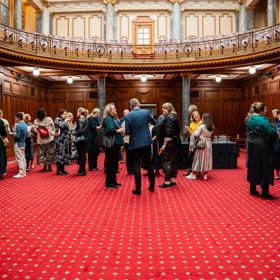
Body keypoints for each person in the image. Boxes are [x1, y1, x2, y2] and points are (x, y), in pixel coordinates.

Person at [125, 98, 156, 195]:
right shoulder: (146, 112)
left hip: (135, 144)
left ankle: (138, 189)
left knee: (136, 165)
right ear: (139, 104)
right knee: (149, 164)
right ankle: (152, 187)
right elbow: (154, 122)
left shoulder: (128, 115)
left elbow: (128, 131)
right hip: (146, 142)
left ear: (131, 106)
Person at [247, 102, 278, 199]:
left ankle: (252, 189)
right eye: (265, 109)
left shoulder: (250, 118)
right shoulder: (263, 120)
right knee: (265, 166)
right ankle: (265, 193)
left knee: (253, 165)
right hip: (262, 145)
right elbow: (271, 133)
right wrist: (276, 135)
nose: (266, 111)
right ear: (260, 111)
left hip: (252, 144)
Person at [158, 103, 180, 188]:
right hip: (175, 143)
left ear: (169, 109)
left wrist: (163, 145)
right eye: (162, 108)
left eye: (165, 108)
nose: (163, 110)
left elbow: (168, 133)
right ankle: (172, 180)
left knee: (166, 162)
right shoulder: (174, 116)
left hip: (169, 143)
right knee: (173, 162)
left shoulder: (169, 118)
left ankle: (167, 182)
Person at [186, 113, 214, 180]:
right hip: (208, 144)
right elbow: (210, 135)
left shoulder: (202, 126)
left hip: (202, 143)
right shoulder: (212, 126)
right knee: (206, 159)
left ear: (204, 119)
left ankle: (194, 174)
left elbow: (196, 134)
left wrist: (191, 131)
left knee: (198, 158)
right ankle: (205, 175)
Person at [103, 103, 124, 188]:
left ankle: (113, 181)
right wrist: (119, 130)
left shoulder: (112, 118)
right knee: (111, 163)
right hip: (112, 144)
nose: (115, 109)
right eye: (114, 108)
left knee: (114, 163)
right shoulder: (108, 119)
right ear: (109, 110)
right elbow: (110, 130)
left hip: (115, 144)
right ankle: (109, 183)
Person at [54, 109, 71, 175]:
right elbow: (61, 126)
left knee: (64, 154)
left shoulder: (64, 120)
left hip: (65, 139)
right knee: (60, 154)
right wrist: (65, 121)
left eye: (66, 114)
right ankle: (59, 170)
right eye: (65, 114)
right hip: (60, 140)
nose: (66, 115)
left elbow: (67, 129)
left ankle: (63, 169)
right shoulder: (57, 119)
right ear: (61, 114)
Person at [12, 112, 28, 178]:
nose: (15, 118)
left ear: (18, 117)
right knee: (23, 158)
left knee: (19, 159)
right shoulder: (25, 124)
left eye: (15, 117)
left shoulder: (18, 125)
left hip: (18, 144)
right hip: (23, 143)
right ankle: (24, 172)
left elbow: (17, 136)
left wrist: (12, 133)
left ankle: (21, 173)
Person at [74, 107, 88, 176]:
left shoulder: (80, 120)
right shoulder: (86, 119)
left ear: (79, 112)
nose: (77, 113)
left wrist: (73, 132)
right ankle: (81, 170)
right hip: (85, 139)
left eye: (77, 112)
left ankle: (82, 171)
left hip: (80, 140)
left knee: (81, 155)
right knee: (83, 154)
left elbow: (80, 131)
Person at [121, 109, 133, 175]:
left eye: (127, 113)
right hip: (126, 139)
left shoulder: (130, 120)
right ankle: (129, 170)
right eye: (125, 113)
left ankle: (131, 169)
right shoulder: (122, 120)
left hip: (130, 139)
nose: (126, 114)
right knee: (129, 155)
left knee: (132, 155)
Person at [272, 109, 280, 179]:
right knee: (276, 159)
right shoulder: (274, 121)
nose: (273, 115)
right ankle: (278, 174)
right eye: (273, 113)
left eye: (274, 113)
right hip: (275, 143)